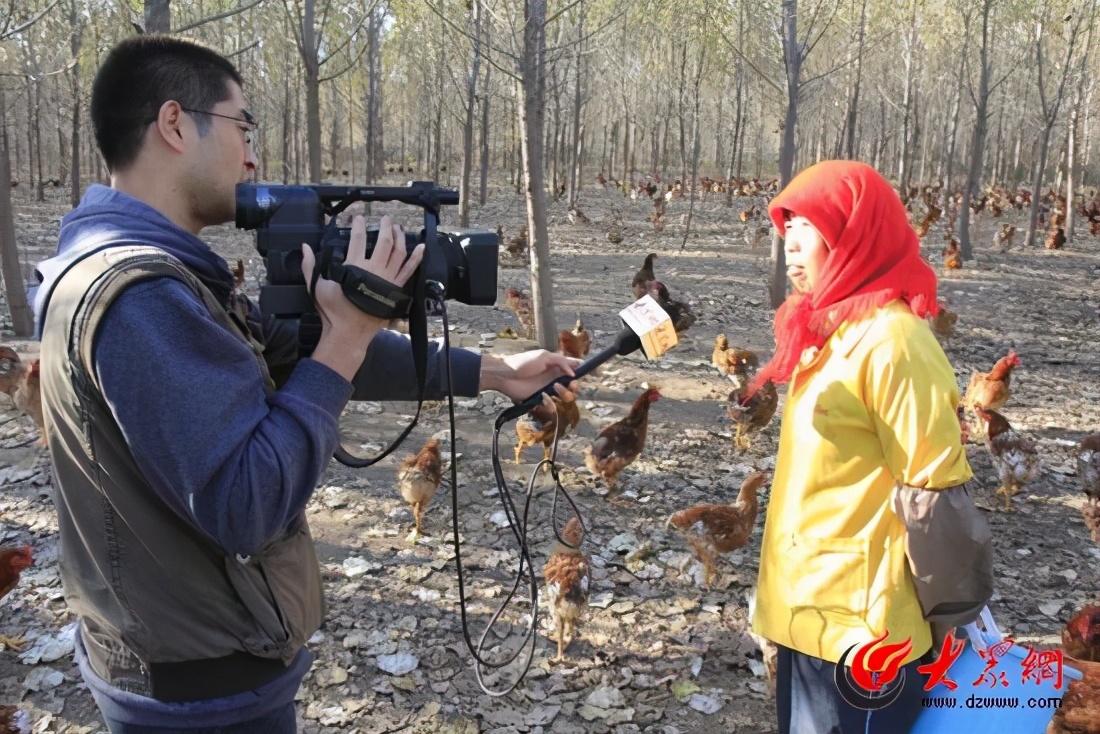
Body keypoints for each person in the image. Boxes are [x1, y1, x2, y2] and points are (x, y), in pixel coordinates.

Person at [32, 36, 577, 733]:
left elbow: (290, 355)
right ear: (174, 124)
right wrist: (349, 332)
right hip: (197, 695)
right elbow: (245, 501)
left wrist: (496, 372)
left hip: (186, 661)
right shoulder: (139, 294)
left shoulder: (141, 269)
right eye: (242, 127)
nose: (252, 153)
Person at [749, 161, 993, 733]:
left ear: (854, 232)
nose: (791, 241)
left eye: (808, 225)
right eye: (787, 225)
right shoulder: (826, 332)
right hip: (806, 615)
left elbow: (935, 498)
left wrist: (947, 617)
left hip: (863, 633)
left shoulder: (894, 341)